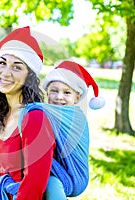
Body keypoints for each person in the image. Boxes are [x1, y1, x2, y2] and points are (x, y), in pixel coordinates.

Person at [0, 26, 56, 200]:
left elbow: (34, 183)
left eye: (17, 67)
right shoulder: (1, 113)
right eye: (2, 63)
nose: (6, 73)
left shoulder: (35, 118)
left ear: (29, 76)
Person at [40, 60, 105, 199]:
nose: (59, 97)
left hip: (73, 176)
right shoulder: (46, 113)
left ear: (77, 97)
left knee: (52, 183)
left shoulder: (76, 117)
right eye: (54, 91)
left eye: (67, 92)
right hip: (55, 169)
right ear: (46, 92)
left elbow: (33, 109)